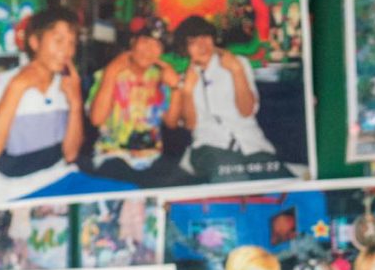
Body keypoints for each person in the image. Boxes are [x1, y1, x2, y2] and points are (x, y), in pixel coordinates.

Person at [0, 8, 84, 208]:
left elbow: (71, 154)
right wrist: (16, 89)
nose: (67, 51)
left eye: (72, 43)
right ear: (34, 42)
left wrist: (75, 104)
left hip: (59, 182)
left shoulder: (65, 86)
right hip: (9, 195)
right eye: (58, 40)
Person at [170, 17, 278, 181]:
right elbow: (191, 125)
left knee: (286, 185)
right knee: (232, 176)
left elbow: (247, 111)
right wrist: (187, 91)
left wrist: (236, 71)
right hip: (209, 146)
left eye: (205, 37)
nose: (202, 45)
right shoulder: (185, 76)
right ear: (185, 48)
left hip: (252, 143)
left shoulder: (238, 63)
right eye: (193, 41)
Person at [87, 16, 186, 184]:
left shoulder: (159, 77)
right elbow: (97, 119)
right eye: (145, 40)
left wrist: (175, 87)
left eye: (157, 45)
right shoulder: (109, 73)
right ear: (133, 42)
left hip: (152, 158)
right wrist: (110, 73)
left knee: (183, 185)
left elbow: (171, 123)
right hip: (112, 155)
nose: (149, 49)